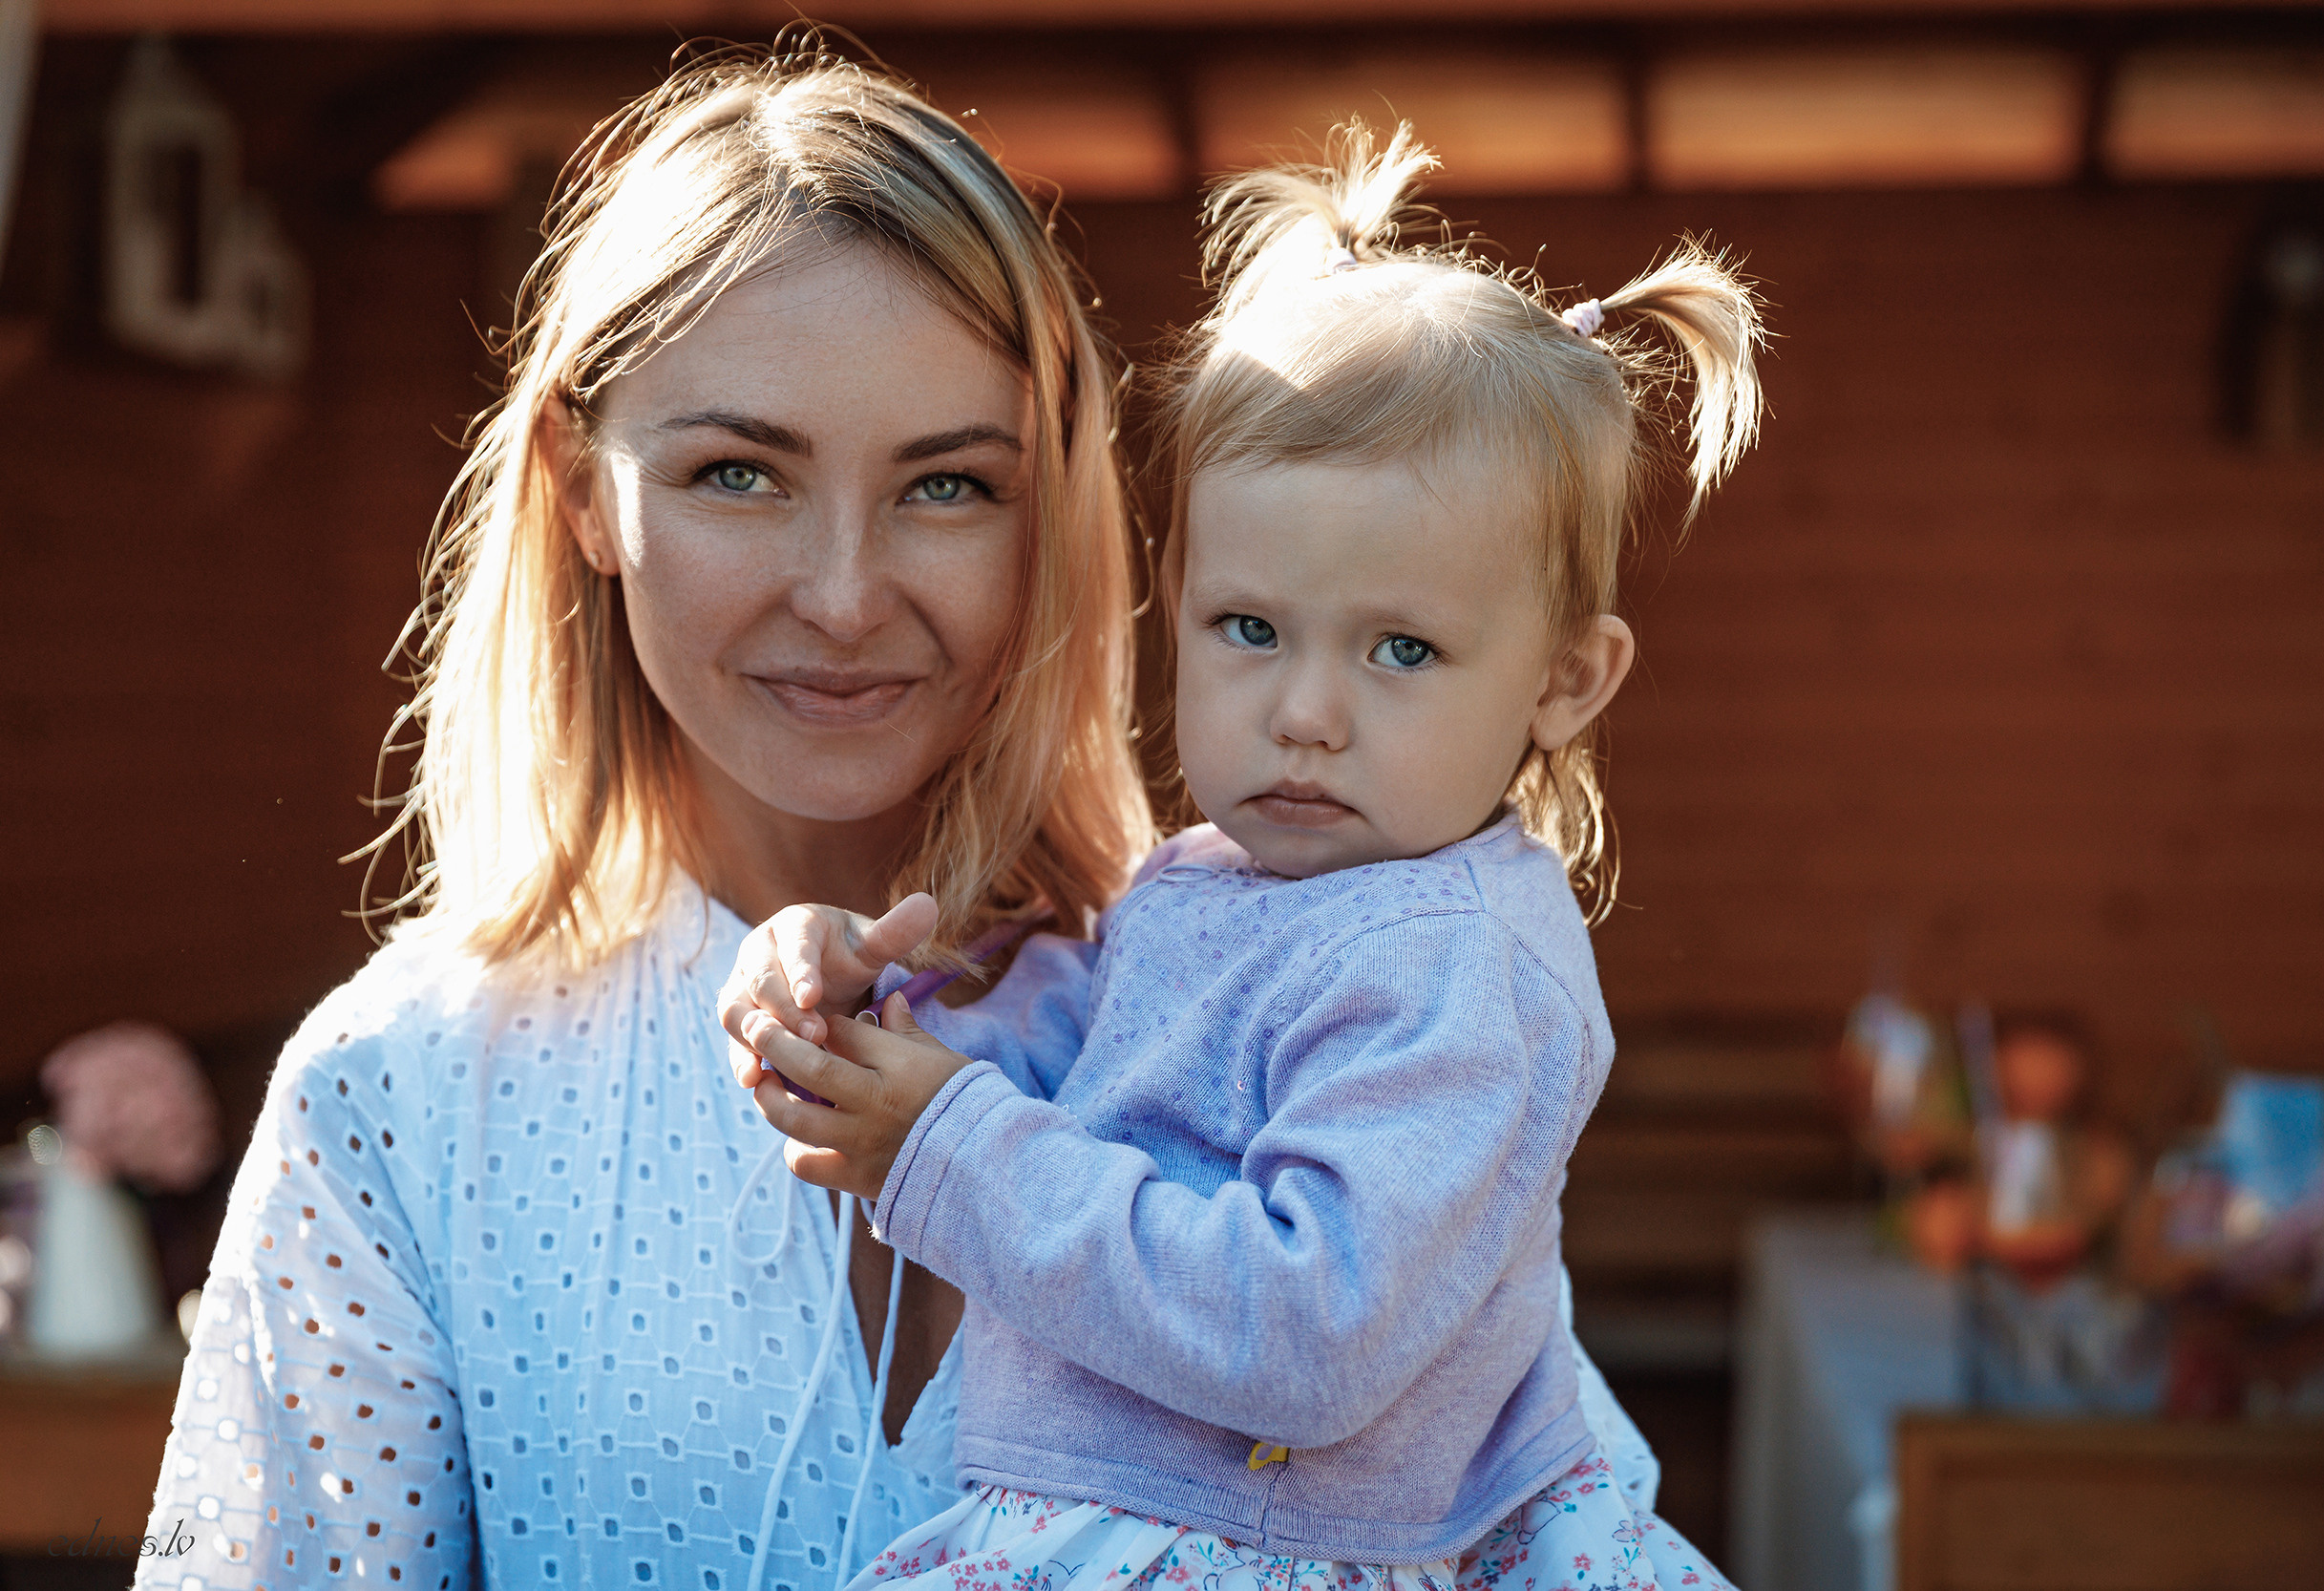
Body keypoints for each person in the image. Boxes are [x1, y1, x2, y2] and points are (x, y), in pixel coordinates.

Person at [136, 49, 1671, 1591]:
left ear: (1052, 511)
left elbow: (1510, 1504)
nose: (845, 594)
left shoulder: (1272, 1003)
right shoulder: (393, 1102)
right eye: (739, 472)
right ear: (586, 490)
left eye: (947, 486)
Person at [720, 127, 1758, 1591]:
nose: (1306, 711)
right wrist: (865, 1010)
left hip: (1268, 1548)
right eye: (1251, 628)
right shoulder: (1206, 883)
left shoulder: (1453, 965)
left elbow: (1306, 1328)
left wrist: (947, 1140)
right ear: (1179, 597)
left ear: (1565, 679)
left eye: (1402, 649)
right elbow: (1073, 1069)